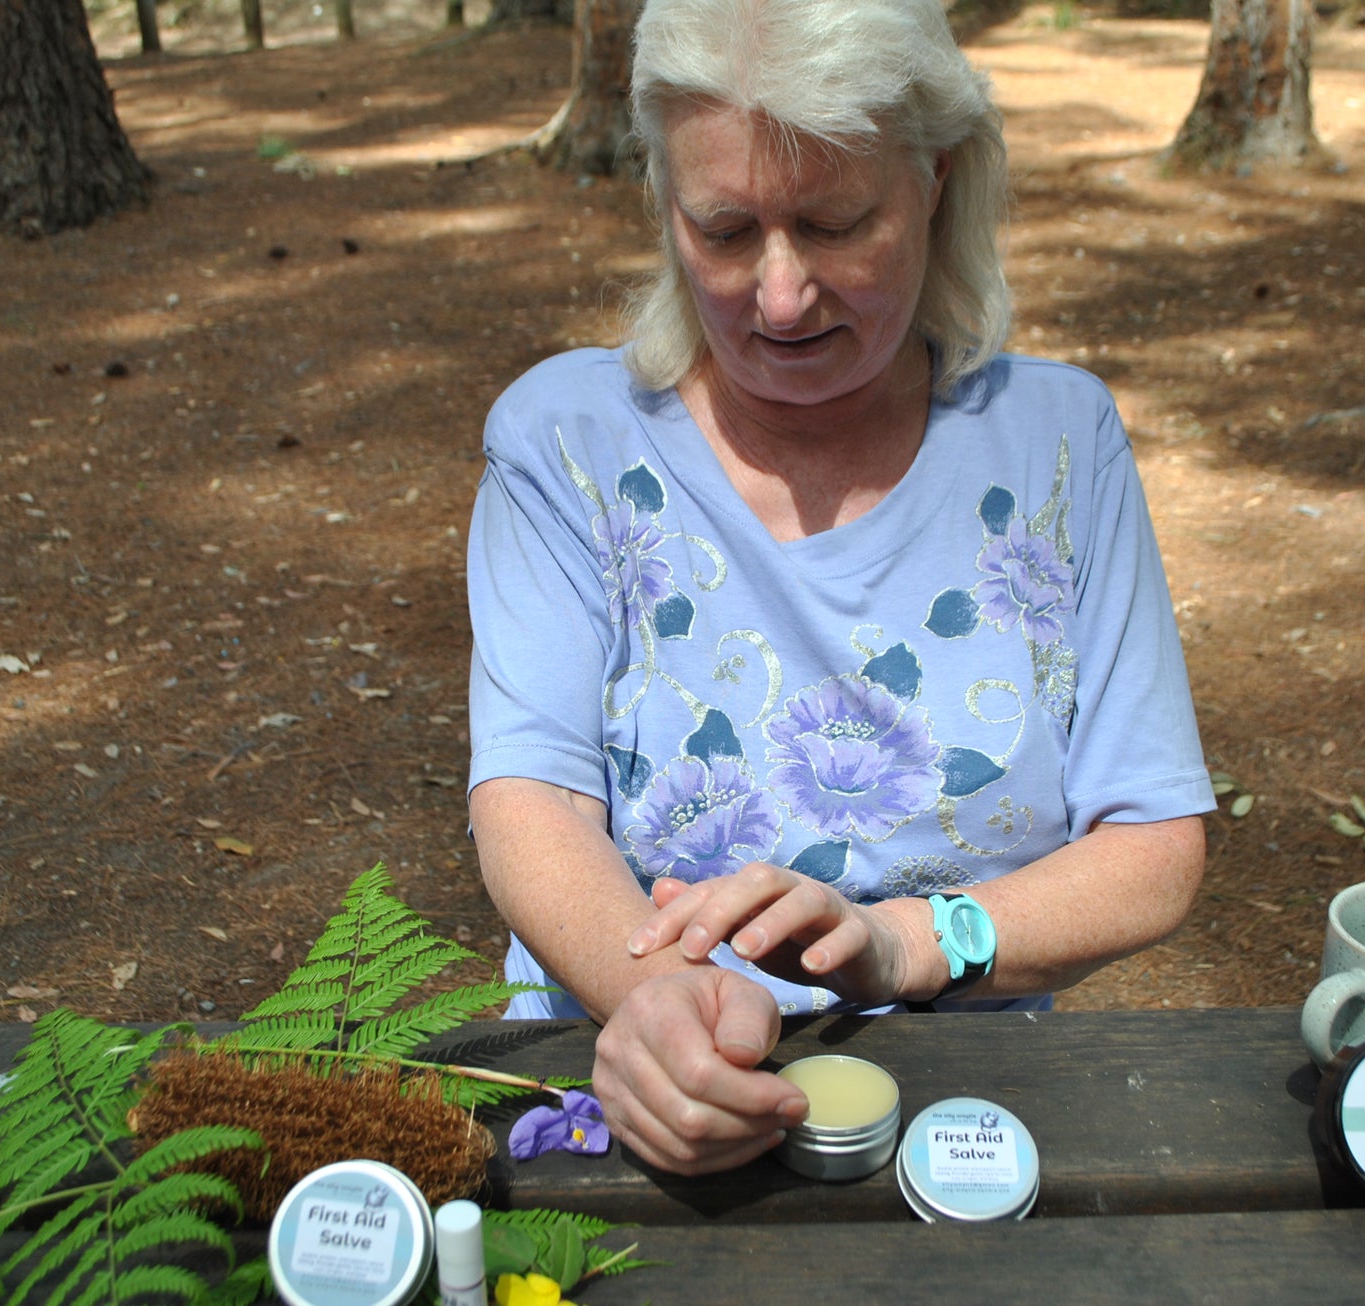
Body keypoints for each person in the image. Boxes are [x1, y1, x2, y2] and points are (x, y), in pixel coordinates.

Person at [465, 0, 1213, 1176]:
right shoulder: (566, 446)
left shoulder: (1056, 446)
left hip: (966, 1120)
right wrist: (659, 1003)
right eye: (722, 230)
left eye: (832, 223)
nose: (776, 295)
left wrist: (906, 944)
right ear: (662, 204)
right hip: (623, 1082)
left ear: (935, 181)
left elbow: (1150, 840)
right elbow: (533, 798)